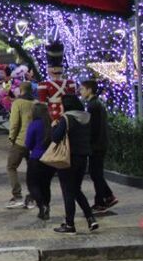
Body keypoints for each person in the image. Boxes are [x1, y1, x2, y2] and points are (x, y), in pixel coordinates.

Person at [52, 95, 99, 234]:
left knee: (68, 191)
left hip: (68, 159)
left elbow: (55, 138)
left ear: (66, 105)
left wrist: (54, 127)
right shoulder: (87, 118)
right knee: (76, 190)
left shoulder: (66, 119)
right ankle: (90, 218)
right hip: (83, 158)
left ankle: (69, 224)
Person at [80, 80, 119, 213]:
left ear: (89, 90)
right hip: (100, 144)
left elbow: (93, 128)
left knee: (95, 173)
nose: (81, 92)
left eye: (82, 89)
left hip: (96, 145)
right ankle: (103, 200)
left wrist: (87, 143)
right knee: (96, 173)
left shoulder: (93, 106)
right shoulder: (96, 104)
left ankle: (106, 198)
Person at [6, 81, 36, 209]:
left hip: (20, 141)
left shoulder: (17, 103)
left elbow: (14, 123)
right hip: (34, 143)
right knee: (32, 170)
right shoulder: (37, 104)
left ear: (20, 90)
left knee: (11, 167)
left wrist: (12, 138)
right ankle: (32, 197)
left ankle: (17, 196)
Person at [25, 103, 54, 220]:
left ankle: (41, 206)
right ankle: (46, 206)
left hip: (36, 159)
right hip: (50, 160)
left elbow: (28, 143)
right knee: (46, 185)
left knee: (33, 184)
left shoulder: (34, 125)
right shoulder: (51, 124)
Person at [38, 41, 76, 122]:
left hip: (53, 113)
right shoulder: (70, 83)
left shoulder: (44, 85)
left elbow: (43, 103)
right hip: (66, 113)